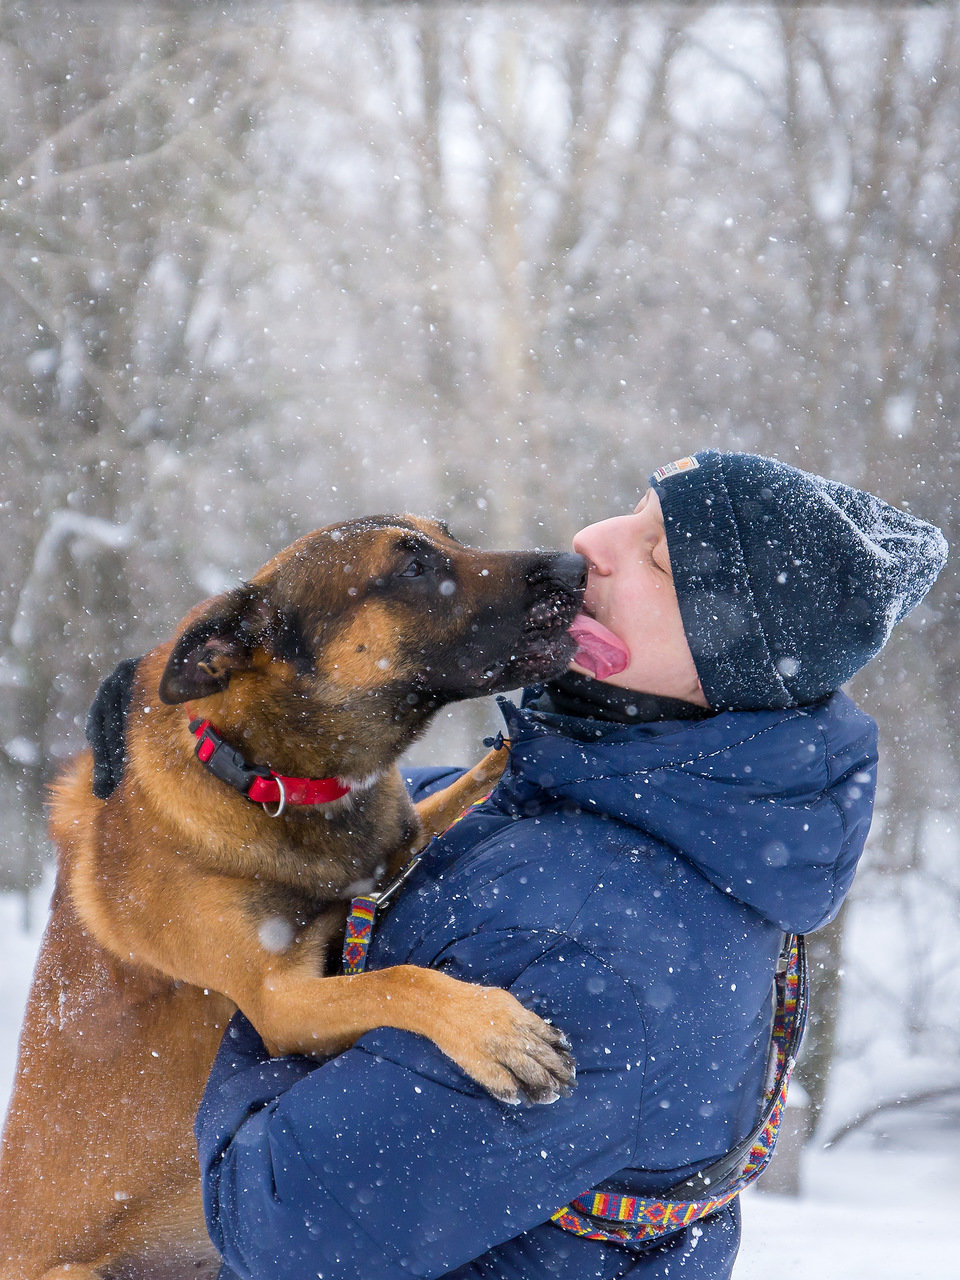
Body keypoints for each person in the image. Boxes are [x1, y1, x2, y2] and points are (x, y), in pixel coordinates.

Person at [193, 449, 946, 1280]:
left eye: (658, 558)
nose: (593, 540)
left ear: (721, 669)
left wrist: (251, 986)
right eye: (630, 508)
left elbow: (274, 1219)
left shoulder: (594, 955)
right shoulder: (567, 792)